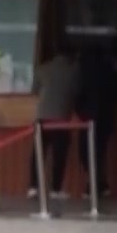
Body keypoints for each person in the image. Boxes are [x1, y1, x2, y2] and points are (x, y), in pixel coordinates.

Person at [29, 36, 80, 209]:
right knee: (59, 155)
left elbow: (34, 91)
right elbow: (77, 92)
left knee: (38, 153)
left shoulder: (42, 68)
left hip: (42, 117)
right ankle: (56, 189)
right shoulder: (74, 71)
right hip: (61, 119)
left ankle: (33, 187)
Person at [75, 44, 117, 199]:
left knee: (87, 152)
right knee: (98, 151)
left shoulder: (84, 74)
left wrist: (81, 112)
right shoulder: (111, 73)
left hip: (89, 117)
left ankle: (94, 186)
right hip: (106, 117)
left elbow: (78, 95)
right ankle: (99, 185)